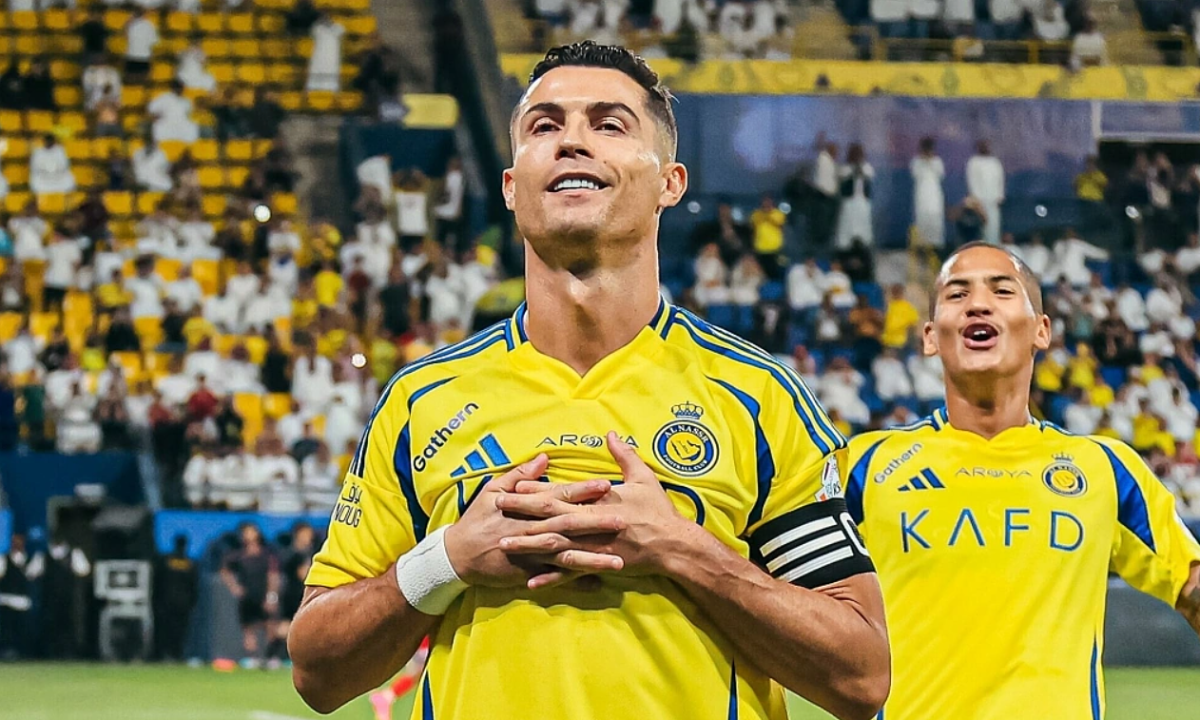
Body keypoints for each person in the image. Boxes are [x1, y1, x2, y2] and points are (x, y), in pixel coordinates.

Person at [289, 41, 889, 720]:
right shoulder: (421, 401)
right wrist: (448, 558)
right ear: (511, 186)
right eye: (545, 126)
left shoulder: (758, 397)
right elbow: (317, 673)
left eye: (609, 124)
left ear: (670, 183)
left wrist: (683, 549)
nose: (572, 140)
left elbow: (861, 678)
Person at [843, 242, 1200, 719]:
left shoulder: (1104, 469)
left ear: (1041, 330)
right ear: (930, 336)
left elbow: (1190, 585)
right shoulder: (864, 467)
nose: (978, 303)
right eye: (957, 294)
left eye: (1002, 290)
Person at [221, 523, 282, 669]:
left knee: (270, 627)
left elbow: (273, 576)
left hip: (263, 595)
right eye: (246, 532)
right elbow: (225, 571)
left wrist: (271, 596)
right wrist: (234, 587)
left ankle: (270, 658)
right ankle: (253, 659)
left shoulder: (266, 555)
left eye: (252, 531)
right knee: (249, 630)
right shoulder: (238, 555)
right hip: (247, 597)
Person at [155, 534, 199, 662]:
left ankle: (166, 654)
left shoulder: (166, 561)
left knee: (167, 629)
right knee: (180, 630)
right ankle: (176, 654)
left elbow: (158, 581)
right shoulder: (190, 563)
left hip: (167, 601)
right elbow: (194, 585)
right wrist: (193, 602)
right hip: (182, 603)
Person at [966, 140, 1004, 245]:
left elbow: (1000, 180)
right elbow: (972, 182)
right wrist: (977, 202)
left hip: (993, 201)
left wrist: (1000, 196)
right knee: (982, 231)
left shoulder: (995, 162)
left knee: (994, 229)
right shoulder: (973, 162)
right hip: (980, 203)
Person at [911, 136, 945, 250]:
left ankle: (936, 245)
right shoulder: (916, 161)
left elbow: (940, 174)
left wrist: (930, 161)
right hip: (922, 193)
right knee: (922, 216)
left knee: (935, 216)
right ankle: (922, 245)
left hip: (934, 193)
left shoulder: (937, 161)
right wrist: (924, 161)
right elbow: (915, 174)